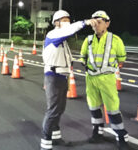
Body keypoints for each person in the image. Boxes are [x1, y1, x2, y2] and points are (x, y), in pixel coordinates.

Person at [40, 10, 97, 150]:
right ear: (56, 22)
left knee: (59, 109)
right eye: (64, 20)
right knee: (53, 110)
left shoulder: (62, 39)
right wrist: (85, 22)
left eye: (68, 20)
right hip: (54, 76)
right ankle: (45, 144)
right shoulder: (54, 34)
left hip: (61, 76)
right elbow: (71, 29)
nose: (68, 22)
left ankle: (56, 137)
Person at [79, 11, 129, 150]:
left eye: (99, 21)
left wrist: (107, 69)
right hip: (91, 79)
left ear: (107, 23)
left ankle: (121, 136)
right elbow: (82, 56)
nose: (96, 25)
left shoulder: (116, 40)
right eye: (93, 22)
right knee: (93, 107)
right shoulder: (88, 40)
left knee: (112, 108)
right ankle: (97, 132)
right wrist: (85, 64)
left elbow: (121, 60)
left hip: (107, 79)